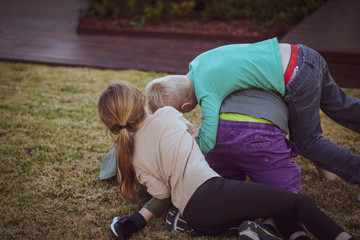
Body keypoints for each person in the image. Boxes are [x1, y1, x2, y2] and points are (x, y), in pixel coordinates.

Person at [98, 81, 354, 240]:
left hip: (197, 217)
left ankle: (281, 234)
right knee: (297, 202)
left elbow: (162, 192)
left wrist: (136, 220)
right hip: (212, 195)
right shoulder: (166, 114)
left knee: (274, 204)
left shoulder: (133, 157)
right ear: (142, 100)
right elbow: (199, 137)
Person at [145, 37, 360, 186]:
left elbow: (208, 142)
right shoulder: (198, 62)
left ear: (185, 108)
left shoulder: (207, 91)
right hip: (304, 54)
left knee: (307, 142)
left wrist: (185, 145)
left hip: (295, 76)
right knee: (341, 107)